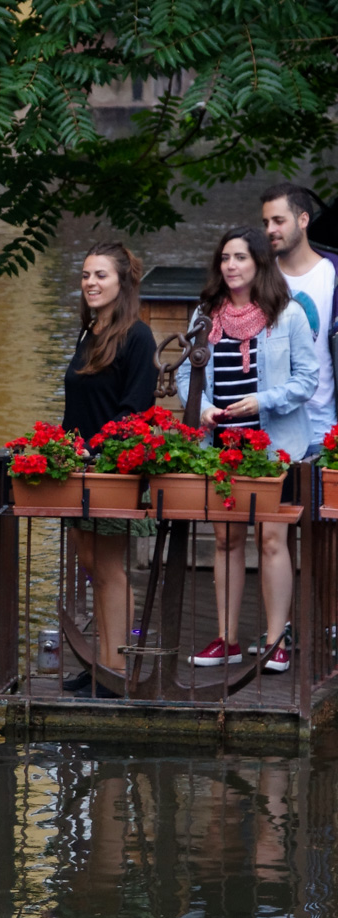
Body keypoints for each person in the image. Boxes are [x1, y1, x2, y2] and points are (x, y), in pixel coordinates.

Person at [176, 227, 321, 672]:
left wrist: (263, 400)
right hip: (219, 444)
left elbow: (306, 379)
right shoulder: (204, 315)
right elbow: (185, 375)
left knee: (273, 539)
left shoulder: (288, 313)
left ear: (259, 262)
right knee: (225, 538)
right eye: (224, 258)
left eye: (240, 257)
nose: (231, 266)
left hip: (272, 444)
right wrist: (199, 407)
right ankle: (227, 638)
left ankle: (277, 641)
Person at [60, 243, 158, 691]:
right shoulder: (88, 331)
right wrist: (60, 451)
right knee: (89, 562)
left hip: (111, 470)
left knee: (110, 567)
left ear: (122, 282)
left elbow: (134, 409)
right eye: (85, 276)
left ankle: (116, 670)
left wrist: (98, 452)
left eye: (100, 275)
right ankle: (100, 663)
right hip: (78, 469)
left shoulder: (136, 336)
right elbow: (77, 404)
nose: (91, 283)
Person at [262, 183, 337, 435]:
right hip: (269, 426)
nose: (270, 229)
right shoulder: (258, 279)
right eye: (266, 222)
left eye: (278, 221)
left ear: (303, 219)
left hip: (324, 425)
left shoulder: (333, 274)